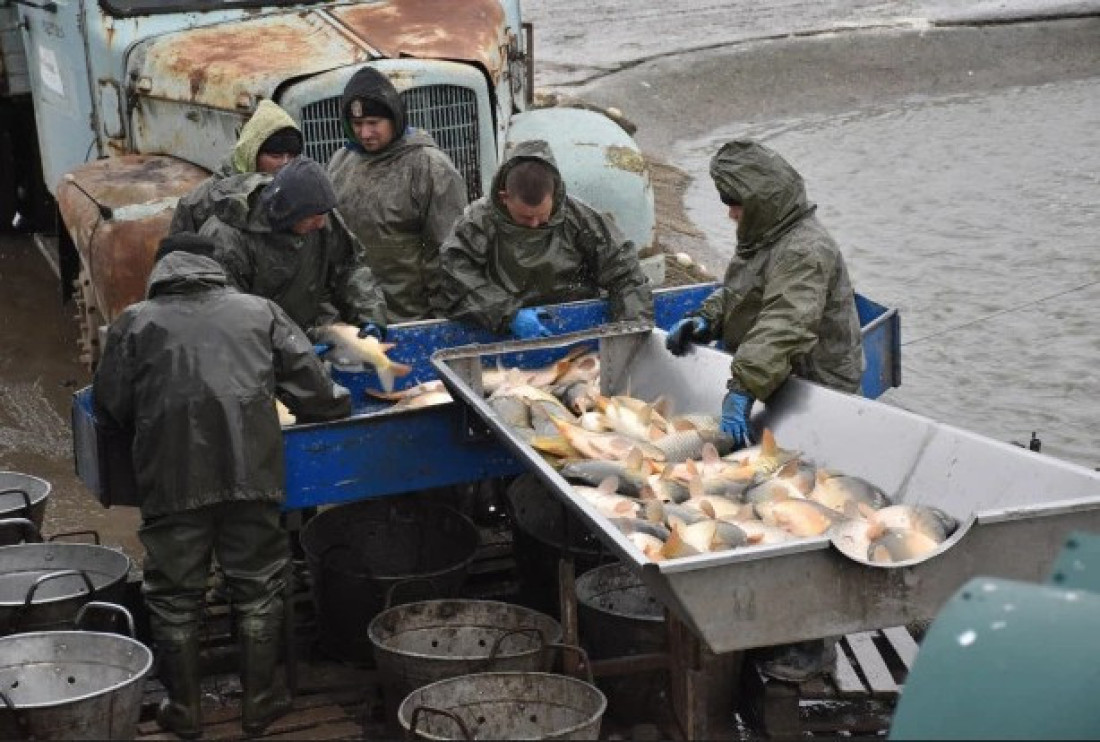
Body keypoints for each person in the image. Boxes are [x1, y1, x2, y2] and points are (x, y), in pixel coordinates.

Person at [92, 233, 352, 738]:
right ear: (217, 268)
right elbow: (315, 391)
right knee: (258, 585)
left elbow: (109, 407)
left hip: (170, 482)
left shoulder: (134, 322)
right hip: (250, 474)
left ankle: (184, 709)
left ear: (163, 270)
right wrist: (342, 401)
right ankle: (260, 701)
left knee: (173, 596)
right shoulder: (260, 311)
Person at [666, 139, 864, 682]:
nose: (729, 212)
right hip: (779, 381)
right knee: (766, 503)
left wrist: (741, 387)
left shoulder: (805, 248)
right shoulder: (763, 234)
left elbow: (784, 323)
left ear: (763, 200)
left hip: (818, 390)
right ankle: (766, 615)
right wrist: (706, 318)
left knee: (810, 511)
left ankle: (811, 643)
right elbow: (740, 293)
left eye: (736, 202)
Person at [436, 139, 654, 337]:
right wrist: (506, 313)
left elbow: (624, 272)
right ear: (505, 198)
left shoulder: (578, 218)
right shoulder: (478, 222)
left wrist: (632, 330)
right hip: (501, 327)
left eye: (542, 217)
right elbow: (455, 274)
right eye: (525, 217)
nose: (534, 224)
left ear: (554, 195)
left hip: (573, 324)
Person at [327, 66, 467, 322]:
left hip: (412, 317)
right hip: (358, 316)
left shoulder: (428, 167)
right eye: (357, 124)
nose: (364, 134)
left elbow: (449, 251)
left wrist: (439, 318)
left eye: (373, 123)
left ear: (395, 118)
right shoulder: (341, 162)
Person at [200, 156, 388, 341]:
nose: (321, 224)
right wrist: (287, 350)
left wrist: (369, 316)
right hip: (255, 346)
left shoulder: (320, 215)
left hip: (308, 333)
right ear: (287, 212)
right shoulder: (228, 238)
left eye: (323, 215)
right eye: (313, 217)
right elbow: (225, 312)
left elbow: (350, 267)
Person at [169, 99, 303, 235]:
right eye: (276, 155)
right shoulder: (202, 201)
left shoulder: (307, 197)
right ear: (251, 154)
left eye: (292, 155)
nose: (286, 162)